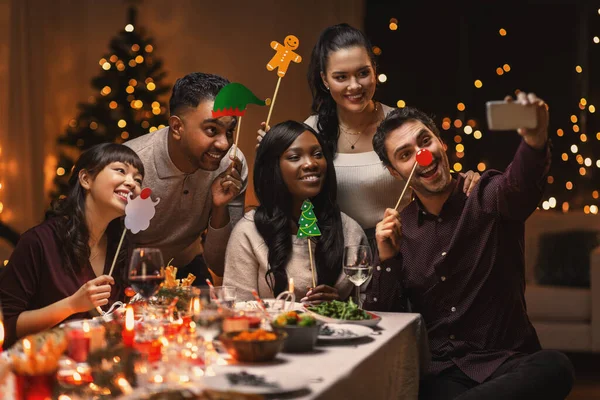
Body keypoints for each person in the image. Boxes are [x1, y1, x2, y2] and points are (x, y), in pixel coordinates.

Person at [367, 93, 574, 399]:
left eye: (425, 141)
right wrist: (386, 258)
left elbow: (521, 185)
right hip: (443, 373)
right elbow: (382, 320)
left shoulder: (487, 196)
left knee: (556, 366)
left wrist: (534, 138)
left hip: (509, 363)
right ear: (394, 172)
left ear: (441, 142)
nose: (422, 155)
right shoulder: (399, 232)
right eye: (405, 154)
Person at [258, 23, 479, 257]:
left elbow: (430, 174)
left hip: (401, 247)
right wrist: (272, 158)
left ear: (374, 69)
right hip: (333, 253)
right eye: (341, 77)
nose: (354, 86)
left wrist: (467, 180)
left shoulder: (399, 126)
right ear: (325, 79)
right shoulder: (311, 130)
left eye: (363, 73)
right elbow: (288, 195)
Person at [0, 143, 144, 349]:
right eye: (121, 170)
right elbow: (9, 323)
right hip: (43, 363)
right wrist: (72, 305)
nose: (132, 183)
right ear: (86, 179)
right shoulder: (39, 242)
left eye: (138, 180)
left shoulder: (121, 247)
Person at [225, 121, 368, 303]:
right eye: (294, 157)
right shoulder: (249, 233)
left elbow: (369, 304)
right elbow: (238, 310)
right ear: (273, 168)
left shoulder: (350, 231)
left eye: (317, 154)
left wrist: (338, 307)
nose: (310, 163)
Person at [125, 72, 247, 284]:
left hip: (188, 268)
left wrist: (220, 209)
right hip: (130, 272)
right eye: (211, 130)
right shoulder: (131, 165)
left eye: (229, 131)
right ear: (177, 127)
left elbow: (221, 265)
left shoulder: (231, 165)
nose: (224, 144)